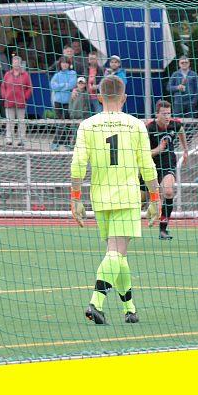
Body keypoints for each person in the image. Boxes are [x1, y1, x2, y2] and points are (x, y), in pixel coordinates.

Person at [70, 75, 159, 324]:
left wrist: (75, 198)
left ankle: (129, 308)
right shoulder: (136, 125)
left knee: (119, 254)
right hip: (127, 197)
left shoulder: (87, 125)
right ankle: (95, 303)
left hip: (100, 198)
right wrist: (155, 199)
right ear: (124, 98)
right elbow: (147, 165)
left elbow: (78, 164)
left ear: (99, 97)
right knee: (116, 253)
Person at [145, 100, 188, 240]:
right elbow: (142, 154)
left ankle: (163, 229)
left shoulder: (175, 125)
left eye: (169, 113)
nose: (167, 116)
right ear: (157, 114)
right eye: (164, 114)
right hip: (150, 165)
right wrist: (158, 150)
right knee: (139, 198)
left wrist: (185, 150)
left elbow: (181, 131)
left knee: (168, 192)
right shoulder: (149, 128)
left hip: (168, 163)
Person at [1, 55, 32, 146]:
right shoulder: (7, 74)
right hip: (9, 102)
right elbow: (3, 87)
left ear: (20, 64)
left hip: (21, 102)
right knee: (9, 121)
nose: (16, 64)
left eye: (17, 62)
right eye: (14, 62)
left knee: (21, 122)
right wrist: (5, 96)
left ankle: (21, 140)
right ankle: (9, 139)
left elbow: (29, 88)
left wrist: (24, 97)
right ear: (12, 64)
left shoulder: (25, 75)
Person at [50, 57, 77, 149]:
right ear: (60, 64)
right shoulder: (57, 75)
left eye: (66, 63)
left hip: (68, 102)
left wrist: (59, 87)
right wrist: (65, 85)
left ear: (69, 64)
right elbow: (53, 86)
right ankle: (66, 143)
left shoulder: (73, 73)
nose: (64, 64)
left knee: (65, 122)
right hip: (57, 102)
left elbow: (72, 85)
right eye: (63, 63)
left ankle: (55, 143)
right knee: (61, 123)